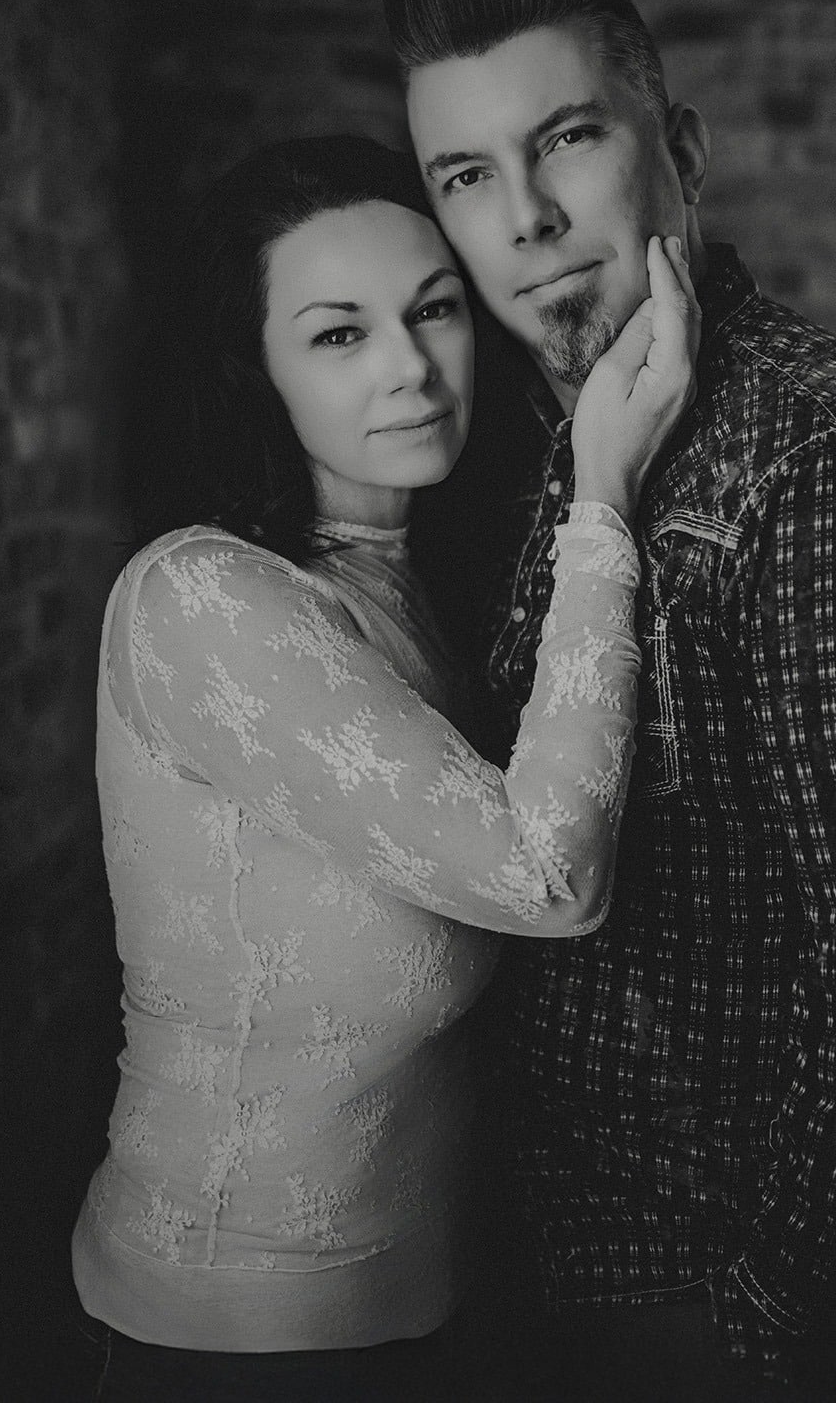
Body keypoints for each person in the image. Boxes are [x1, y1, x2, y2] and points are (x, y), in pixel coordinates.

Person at [384, 0, 836, 1400]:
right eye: (467, 174)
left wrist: (759, 1336)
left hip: (712, 1316)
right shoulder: (581, 443)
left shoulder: (834, 470)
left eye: (569, 140)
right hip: (560, 1275)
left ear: (682, 146)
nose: (525, 218)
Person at [71, 135, 700, 1401]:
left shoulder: (419, 584)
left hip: (434, 1312)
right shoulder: (203, 598)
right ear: (253, 371)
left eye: (432, 311)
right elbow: (544, 878)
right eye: (338, 334)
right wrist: (606, 495)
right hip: (227, 1340)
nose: (412, 367)